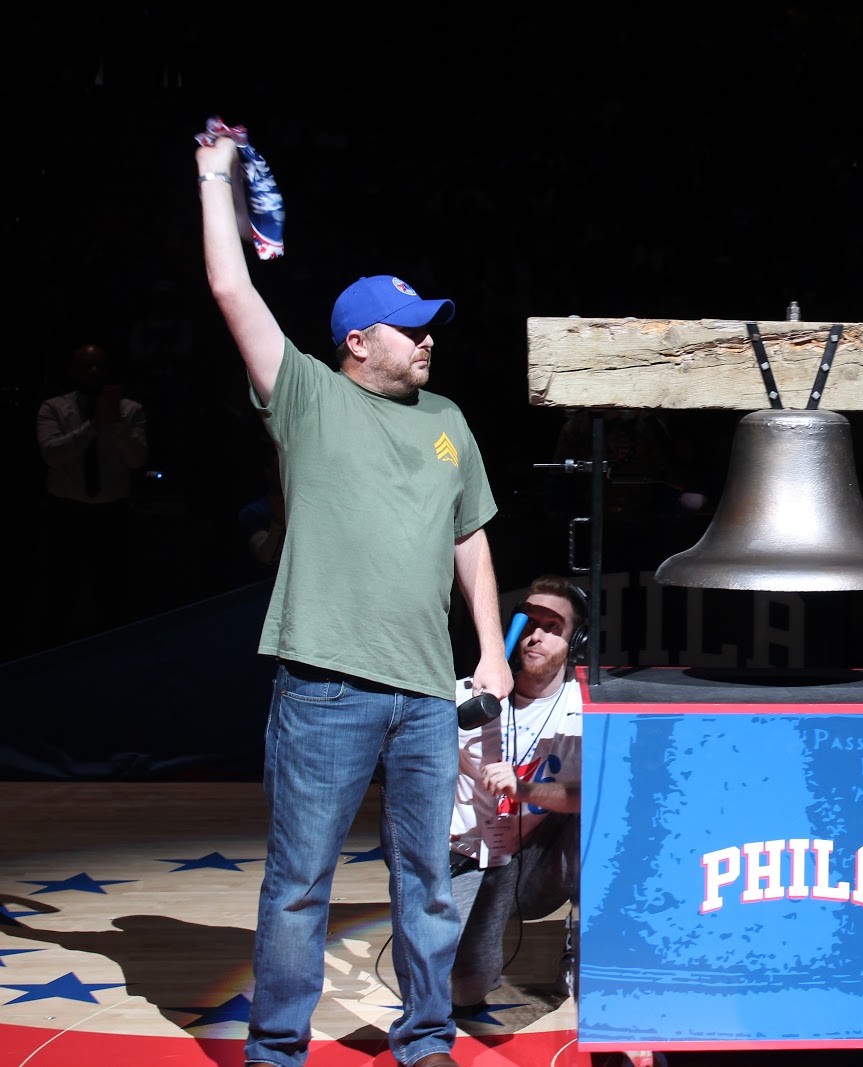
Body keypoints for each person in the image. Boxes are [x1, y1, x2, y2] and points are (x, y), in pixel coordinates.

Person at [196, 132, 513, 1067]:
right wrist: (215, 178)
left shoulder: (449, 422)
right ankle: (277, 1049)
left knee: (427, 877)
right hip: (326, 687)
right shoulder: (306, 395)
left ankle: (426, 1036)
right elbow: (229, 287)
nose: (428, 340)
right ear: (357, 341)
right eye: (410, 329)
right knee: (301, 881)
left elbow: (470, 538)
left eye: (430, 327)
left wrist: (492, 648)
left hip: (425, 693)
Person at [449, 575, 587, 1008]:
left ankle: (582, 953)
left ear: (575, 642)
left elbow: (592, 796)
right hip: (472, 858)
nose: (536, 636)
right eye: (529, 623)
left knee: (602, 816)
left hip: (539, 859)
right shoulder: (465, 698)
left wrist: (524, 789)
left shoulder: (583, 707)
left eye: (552, 627)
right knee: (463, 990)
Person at [34, 343, 149, 640]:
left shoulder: (130, 410)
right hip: (66, 514)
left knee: (112, 593)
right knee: (59, 592)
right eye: (87, 366)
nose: (94, 371)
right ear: (74, 371)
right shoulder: (54, 408)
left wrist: (116, 424)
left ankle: (111, 652)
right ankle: (53, 652)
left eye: (99, 366)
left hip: (112, 515)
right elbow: (51, 454)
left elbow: (137, 460)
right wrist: (95, 425)